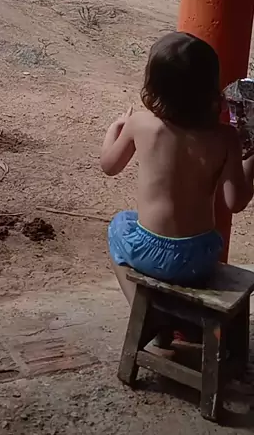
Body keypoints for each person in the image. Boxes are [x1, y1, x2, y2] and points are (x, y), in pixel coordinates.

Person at [101, 31, 254, 308]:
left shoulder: (140, 124)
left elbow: (109, 166)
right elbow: (236, 202)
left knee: (119, 225)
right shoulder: (225, 137)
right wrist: (252, 154)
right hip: (201, 258)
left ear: (154, 84)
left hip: (149, 253)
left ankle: (143, 310)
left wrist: (115, 127)